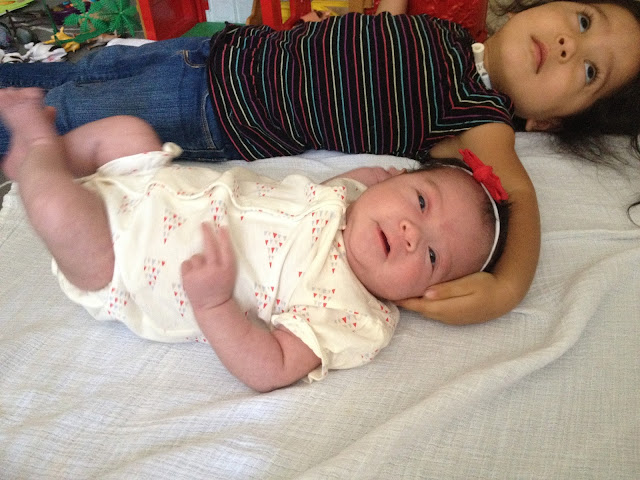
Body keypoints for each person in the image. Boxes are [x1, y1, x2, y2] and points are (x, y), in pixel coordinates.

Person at [1, 1, 639, 325]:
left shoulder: (481, 116)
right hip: (218, 52)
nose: (568, 43)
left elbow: (517, 197)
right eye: (584, 20)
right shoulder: (451, 38)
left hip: (214, 108)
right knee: (79, 69)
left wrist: (506, 289)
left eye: (589, 70)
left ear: (551, 123)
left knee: (55, 115)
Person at [0, 87, 510, 391]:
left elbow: (271, 367)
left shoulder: (352, 314)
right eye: (420, 202)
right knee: (128, 133)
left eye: (432, 254)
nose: (410, 232)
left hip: (124, 258)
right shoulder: (352, 198)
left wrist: (216, 303)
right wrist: (369, 180)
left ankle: (38, 152)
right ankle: (49, 164)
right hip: (150, 181)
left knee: (58, 213)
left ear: (425, 294)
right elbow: (345, 189)